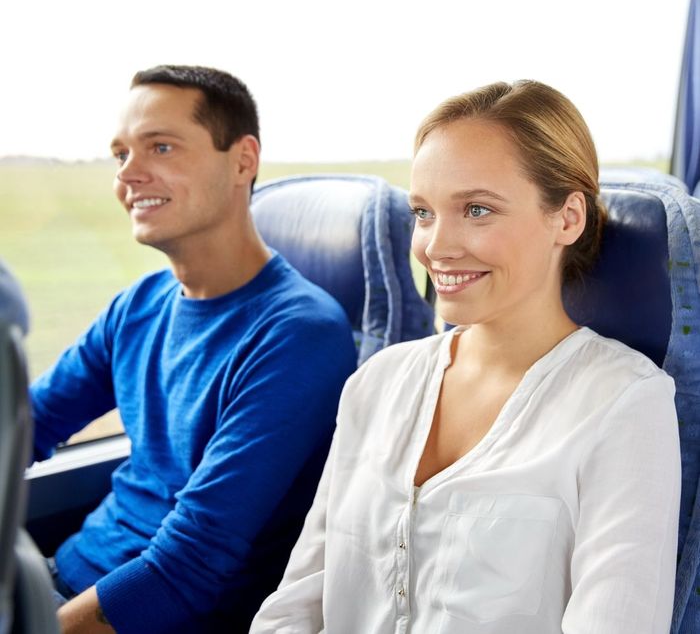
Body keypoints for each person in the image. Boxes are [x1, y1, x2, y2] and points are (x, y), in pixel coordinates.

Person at [250, 80, 681, 633]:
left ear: (567, 218)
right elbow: (296, 607)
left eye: (476, 210)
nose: (436, 245)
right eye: (424, 212)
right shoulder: (377, 383)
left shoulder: (623, 403)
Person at [29, 65, 357, 634]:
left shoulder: (298, 335)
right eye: (120, 154)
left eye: (161, 146)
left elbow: (188, 569)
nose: (129, 174)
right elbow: (26, 424)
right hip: (63, 575)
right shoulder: (138, 305)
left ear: (243, 161)